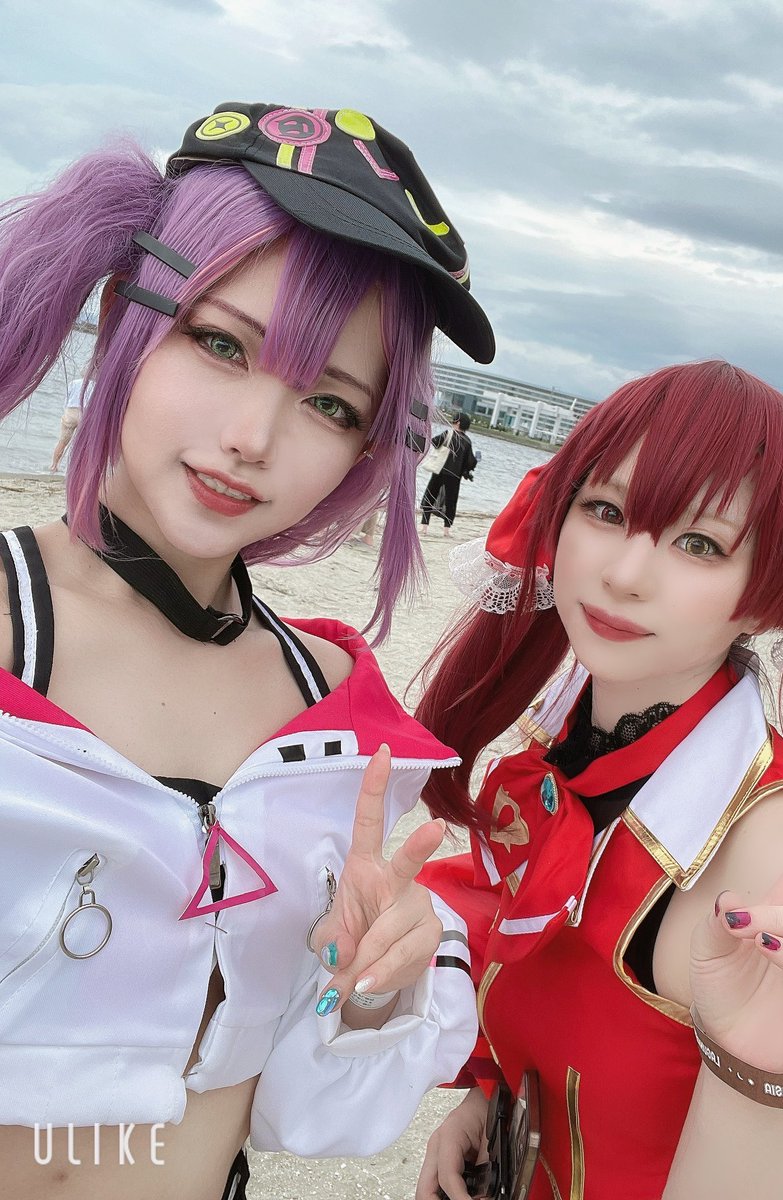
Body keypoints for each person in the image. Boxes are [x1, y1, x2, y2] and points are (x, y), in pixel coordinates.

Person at [0, 100, 496, 1200]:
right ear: (125, 315)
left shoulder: (332, 715)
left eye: (329, 403)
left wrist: (368, 984)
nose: (252, 440)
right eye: (221, 344)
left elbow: (298, 1111)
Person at [414, 361, 783, 1200]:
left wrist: (762, 1081)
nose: (625, 573)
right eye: (606, 511)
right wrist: (490, 1100)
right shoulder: (552, 757)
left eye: (700, 544)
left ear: (768, 600)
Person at [420, 412, 478, 536]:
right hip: (455, 476)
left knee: (430, 495)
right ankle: (446, 530)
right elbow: (470, 462)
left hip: (440, 470)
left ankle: (424, 527)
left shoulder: (448, 434)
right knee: (451, 501)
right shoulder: (467, 441)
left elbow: (434, 442)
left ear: (458, 422)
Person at [49, 376, 94, 472]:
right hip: (84, 412)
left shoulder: (73, 383)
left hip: (70, 411)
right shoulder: (94, 385)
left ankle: (54, 466)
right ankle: (76, 468)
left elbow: (66, 399)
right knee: (82, 443)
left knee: (62, 441)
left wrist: (66, 410)